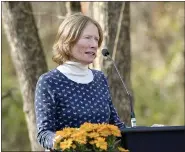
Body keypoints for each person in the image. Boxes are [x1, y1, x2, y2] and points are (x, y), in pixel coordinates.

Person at [34, 12, 126, 150]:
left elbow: (116, 126)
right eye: (88, 38)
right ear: (68, 39)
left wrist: (148, 132)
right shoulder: (48, 82)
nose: (94, 44)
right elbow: (44, 134)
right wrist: (64, 140)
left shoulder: (99, 78)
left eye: (96, 39)